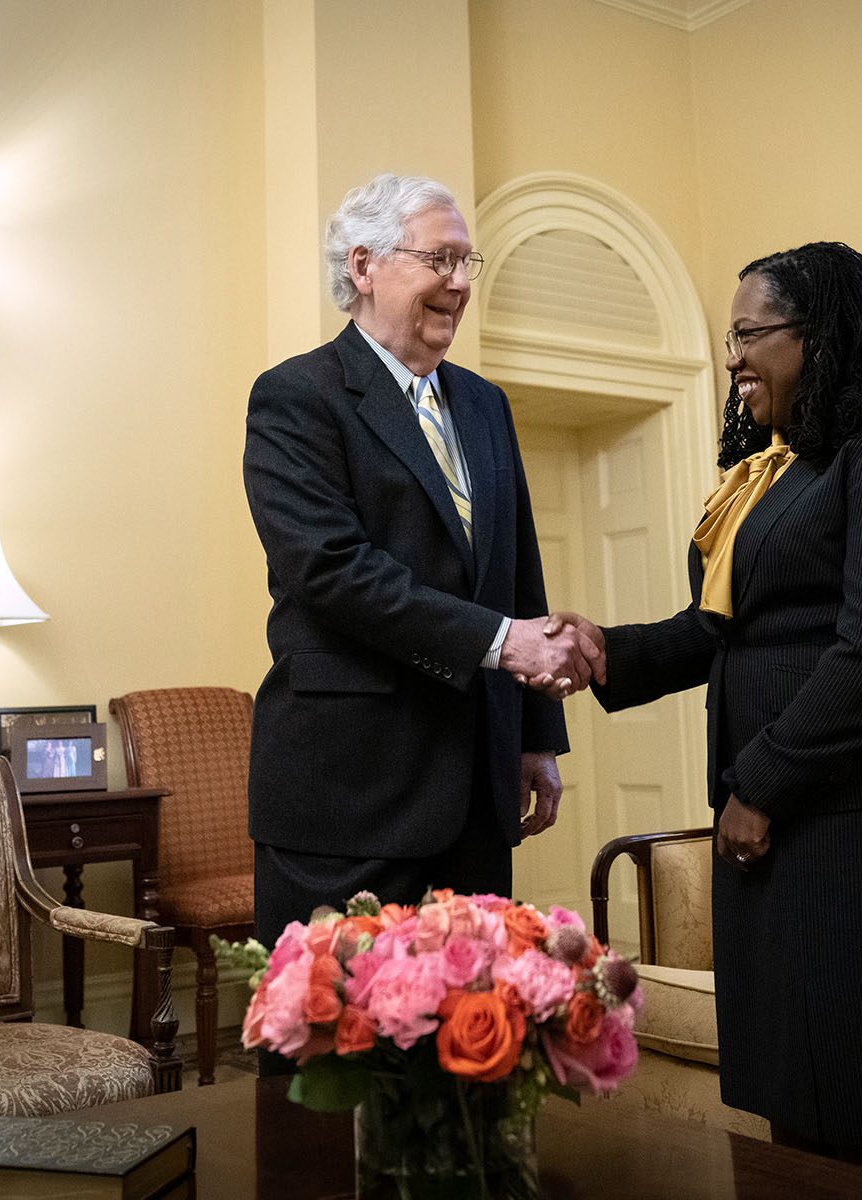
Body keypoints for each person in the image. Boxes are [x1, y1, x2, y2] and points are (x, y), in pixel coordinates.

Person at [558, 242, 862, 1167]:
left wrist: (763, 785)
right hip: (779, 809)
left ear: (817, 336)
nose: (734, 356)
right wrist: (602, 653)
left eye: (749, 333)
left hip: (858, 809)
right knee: (792, 1074)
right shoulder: (774, 471)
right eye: (729, 336)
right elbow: (724, 631)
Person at [242, 173, 602, 961]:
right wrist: (503, 643)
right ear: (365, 265)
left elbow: (518, 574)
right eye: (441, 259)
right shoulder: (296, 397)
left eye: (470, 263)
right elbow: (331, 570)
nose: (461, 284)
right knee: (332, 1060)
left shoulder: (484, 404)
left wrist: (535, 734)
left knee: (471, 1051)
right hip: (348, 797)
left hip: (476, 788)